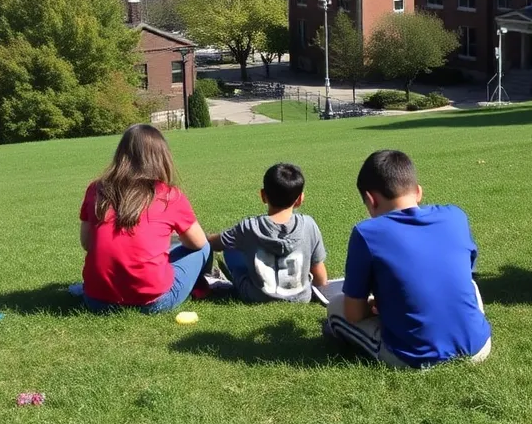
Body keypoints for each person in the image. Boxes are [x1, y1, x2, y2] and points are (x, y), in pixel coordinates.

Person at [324, 150, 492, 368]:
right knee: (468, 285)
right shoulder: (455, 215)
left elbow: (353, 312)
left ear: (370, 199)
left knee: (336, 307)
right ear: (418, 192)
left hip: (413, 357)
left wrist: (374, 305)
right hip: (478, 347)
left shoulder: (367, 232)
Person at [79, 124, 211, 313]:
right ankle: (205, 285)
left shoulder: (96, 190)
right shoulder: (168, 195)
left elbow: (87, 243)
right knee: (204, 246)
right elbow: (197, 243)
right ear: (161, 157)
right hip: (154, 301)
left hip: (96, 300)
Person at [207, 163, 328, 303]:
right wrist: (321, 291)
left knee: (231, 247)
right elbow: (319, 271)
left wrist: (205, 237)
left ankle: (217, 279)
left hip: (254, 296)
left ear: (263, 195)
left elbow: (216, 243)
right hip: (301, 298)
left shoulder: (249, 227)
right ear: (300, 199)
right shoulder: (309, 224)